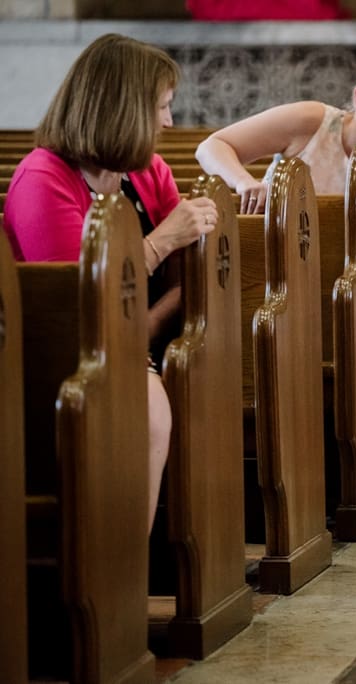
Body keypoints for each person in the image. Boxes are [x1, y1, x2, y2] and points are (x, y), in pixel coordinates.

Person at [2, 33, 218, 533]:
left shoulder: (146, 173)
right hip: (59, 355)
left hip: (129, 343)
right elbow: (75, 300)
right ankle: (118, 582)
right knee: (148, 415)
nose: (168, 122)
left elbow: (187, 271)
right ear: (120, 110)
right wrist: (160, 243)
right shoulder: (44, 177)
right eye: (160, 107)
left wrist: (157, 316)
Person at [194, 54, 356, 405]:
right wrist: (243, 182)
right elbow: (213, 147)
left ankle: (354, 453)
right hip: (262, 279)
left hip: (335, 300)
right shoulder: (312, 122)